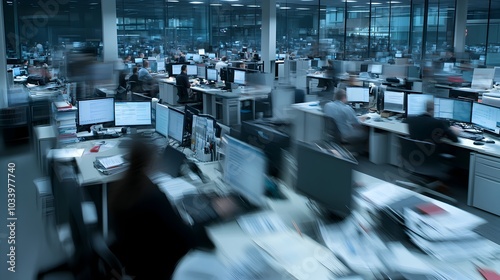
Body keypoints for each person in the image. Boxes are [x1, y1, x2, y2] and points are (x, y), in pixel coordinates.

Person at [109, 140, 215, 280]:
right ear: (150, 163)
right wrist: (212, 218)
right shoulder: (153, 195)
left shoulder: (120, 187)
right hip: (157, 267)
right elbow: (186, 237)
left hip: (134, 260)